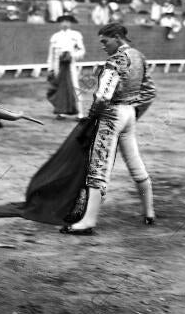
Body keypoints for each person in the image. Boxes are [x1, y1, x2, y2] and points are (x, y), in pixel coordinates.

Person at [60, 23, 156, 234]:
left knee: (98, 167)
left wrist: (92, 116)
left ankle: (88, 222)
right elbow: (150, 91)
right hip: (129, 113)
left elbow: (103, 96)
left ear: (117, 37)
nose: (103, 46)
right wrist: (134, 112)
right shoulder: (139, 56)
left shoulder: (116, 60)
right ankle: (149, 212)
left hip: (111, 116)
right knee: (135, 162)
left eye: (105, 41)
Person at [46, 14, 86, 119]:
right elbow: (51, 54)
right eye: (63, 21)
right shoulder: (55, 36)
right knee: (59, 87)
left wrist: (72, 55)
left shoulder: (76, 35)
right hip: (57, 66)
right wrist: (50, 68)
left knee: (74, 87)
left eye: (67, 21)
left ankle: (80, 113)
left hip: (71, 65)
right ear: (60, 23)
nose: (65, 23)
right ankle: (61, 112)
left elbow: (81, 51)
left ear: (70, 23)